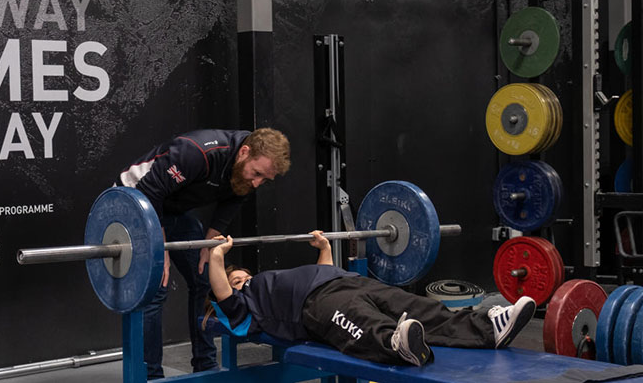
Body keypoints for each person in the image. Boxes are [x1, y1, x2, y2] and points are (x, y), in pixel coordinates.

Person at [205, 232, 536, 367]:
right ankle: (397, 347)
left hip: (344, 281)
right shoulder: (245, 306)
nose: (242, 281)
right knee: (363, 324)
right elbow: (224, 296)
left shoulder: (268, 279)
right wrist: (217, 256)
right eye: (236, 282)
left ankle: (489, 329)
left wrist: (324, 248)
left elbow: (324, 271)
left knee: (417, 306)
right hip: (314, 306)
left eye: (243, 276)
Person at [116, 128, 291, 379]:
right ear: (244, 152)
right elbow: (150, 190)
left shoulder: (247, 167)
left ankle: (205, 366)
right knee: (156, 286)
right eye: (257, 174)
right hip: (131, 200)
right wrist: (158, 248)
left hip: (172, 210)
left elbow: (236, 197)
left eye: (265, 179)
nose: (257, 183)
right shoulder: (196, 152)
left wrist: (210, 242)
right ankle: (150, 376)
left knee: (206, 278)